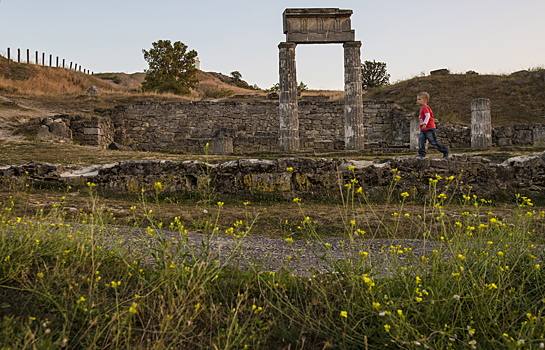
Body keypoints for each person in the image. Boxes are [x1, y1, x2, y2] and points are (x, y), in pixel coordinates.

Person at [414, 92, 449, 158]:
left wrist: (425, 123)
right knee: (421, 141)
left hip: (429, 128)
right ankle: (422, 153)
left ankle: (445, 150)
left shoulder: (425, 107)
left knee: (433, 141)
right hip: (423, 129)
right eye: (417, 99)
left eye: (419, 99)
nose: (417, 101)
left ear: (425, 100)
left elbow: (428, 115)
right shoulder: (422, 109)